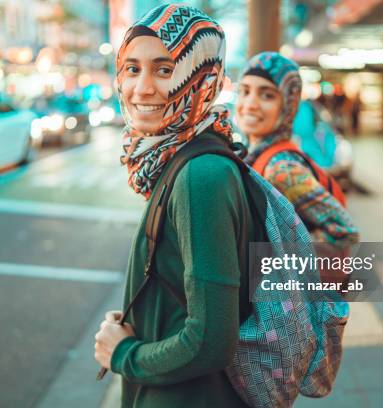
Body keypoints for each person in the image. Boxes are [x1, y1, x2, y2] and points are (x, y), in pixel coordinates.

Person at [93, 4, 252, 407]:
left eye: (165, 70)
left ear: (203, 76)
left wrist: (123, 354)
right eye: (132, 69)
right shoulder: (175, 157)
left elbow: (211, 341)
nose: (142, 88)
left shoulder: (201, 176)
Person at [235, 52, 359, 246]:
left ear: (288, 106)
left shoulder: (282, 168)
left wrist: (276, 256)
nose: (250, 104)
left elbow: (344, 231)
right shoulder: (253, 154)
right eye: (244, 91)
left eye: (267, 95)